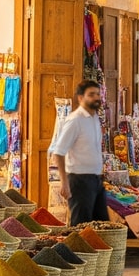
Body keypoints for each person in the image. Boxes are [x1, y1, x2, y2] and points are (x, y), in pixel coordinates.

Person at [49, 80, 105, 224]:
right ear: (80, 98)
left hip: (96, 179)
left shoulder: (94, 118)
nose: (96, 98)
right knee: (81, 225)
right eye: (91, 94)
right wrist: (64, 182)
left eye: (98, 94)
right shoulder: (75, 120)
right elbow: (59, 152)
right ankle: (77, 248)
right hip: (79, 180)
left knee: (102, 225)